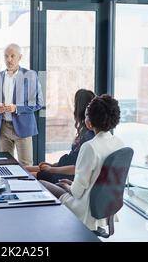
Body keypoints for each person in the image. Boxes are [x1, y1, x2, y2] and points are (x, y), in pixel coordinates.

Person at [40, 94, 124, 231]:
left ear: (90, 122)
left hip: (85, 208)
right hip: (105, 208)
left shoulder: (90, 146)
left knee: (43, 184)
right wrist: (72, 186)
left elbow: (78, 192)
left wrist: (69, 187)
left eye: (86, 115)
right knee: (60, 185)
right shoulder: (119, 143)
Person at [0, 43, 44, 166]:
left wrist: (17, 108)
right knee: (5, 165)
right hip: (3, 128)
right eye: (6, 56)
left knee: (26, 165)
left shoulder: (30, 76)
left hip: (23, 128)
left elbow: (39, 103)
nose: (9, 59)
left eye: (13, 56)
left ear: (20, 57)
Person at [25, 89, 95, 183]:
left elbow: (76, 168)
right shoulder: (84, 131)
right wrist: (52, 165)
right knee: (24, 168)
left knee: (26, 175)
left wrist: (51, 169)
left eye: (75, 105)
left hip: (65, 174)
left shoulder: (88, 137)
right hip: (60, 169)